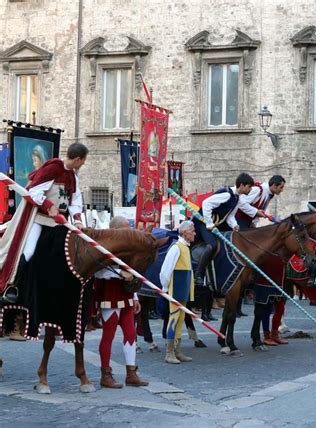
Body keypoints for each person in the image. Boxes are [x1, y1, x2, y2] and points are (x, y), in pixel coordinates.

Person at [0, 143, 88, 304]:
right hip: (39, 219)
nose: (83, 164)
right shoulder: (53, 168)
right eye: (82, 161)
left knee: (65, 255)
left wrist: (77, 221)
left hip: (60, 224)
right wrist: (49, 206)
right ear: (77, 159)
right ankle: (14, 287)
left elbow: (75, 201)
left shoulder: (73, 177)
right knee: (29, 250)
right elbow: (33, 191)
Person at [192, 173, 254, 321]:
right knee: (212, 245)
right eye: (249, 187)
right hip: (202, 223)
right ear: (242, 185)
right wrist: (208, 223)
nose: (250, 190)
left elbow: (230, 216)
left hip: (214, 225)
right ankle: (199, 275)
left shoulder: (237, 198)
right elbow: (206, 204)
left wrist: (235, 226)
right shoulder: (226, 194)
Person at [96, 216, 148, 389]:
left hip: (126, 296)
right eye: (126, 228)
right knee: (108, 335)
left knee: (131, 334)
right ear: (117, 229)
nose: (129, 231)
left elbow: (132, 273)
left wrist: (135, 297)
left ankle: (131, 373)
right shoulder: (104, 246)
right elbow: (99, 272)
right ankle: (105, 374)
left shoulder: (127, 247)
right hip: (109, 297)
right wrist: (120, 273)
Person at [235, 175, 286, 318]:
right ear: (274, 186)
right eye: (281, 187)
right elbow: (242, 203)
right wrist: (257, 213)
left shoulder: (268, 195)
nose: (282, 190)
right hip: (238, 223)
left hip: (248, 224)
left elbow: (256, 211)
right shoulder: (257, 190)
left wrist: (256, 219)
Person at [160, 220, 196, 364]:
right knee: (174, 319)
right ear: (185, 232)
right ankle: (169, 353)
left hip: (183, 290)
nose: (194, 233)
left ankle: (177, 350)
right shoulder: (176, 247)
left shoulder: (186, 247)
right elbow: (165, 270)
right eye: (192, 230)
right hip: (175, 291)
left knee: (180, 321)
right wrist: (165, 289)